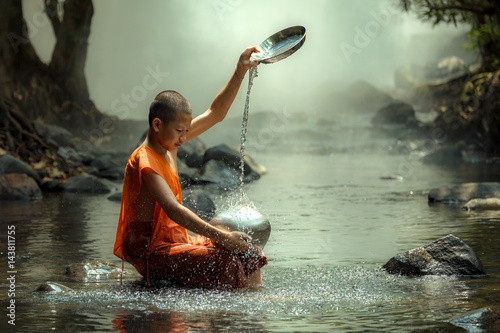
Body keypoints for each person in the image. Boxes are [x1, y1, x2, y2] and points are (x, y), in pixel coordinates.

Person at [113, 46, 267, 289]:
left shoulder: (170, 145)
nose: (184, 138)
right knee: (225, 258)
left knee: (249, 251)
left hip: (178, 242)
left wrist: (240, 71)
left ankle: (256, 300)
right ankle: (229, 316)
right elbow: (174, 210)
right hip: (155, 255)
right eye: (179, 131)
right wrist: (224, 237)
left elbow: (215, 113)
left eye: (187, 131)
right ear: (157, 124)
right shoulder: (145, 159)